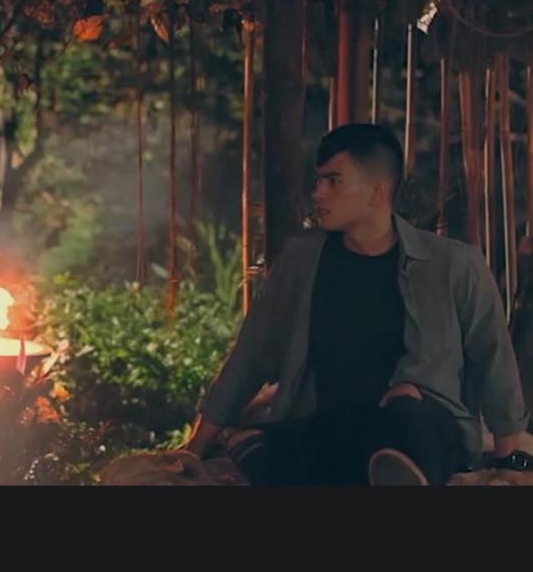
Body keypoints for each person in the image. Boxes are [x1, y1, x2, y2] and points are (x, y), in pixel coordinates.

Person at [184, 123, 530, 485]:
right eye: (318, 180)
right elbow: (251, 354)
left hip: (418, 425)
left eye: (333, 181)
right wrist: (195, 448)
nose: (318, 193)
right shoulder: (301, 261)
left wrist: (508, 460)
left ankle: (399, 469)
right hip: (334, 428)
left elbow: (493, 358)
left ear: (377, 191)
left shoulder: (454, 264)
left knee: (407, 410)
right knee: (253, 443)